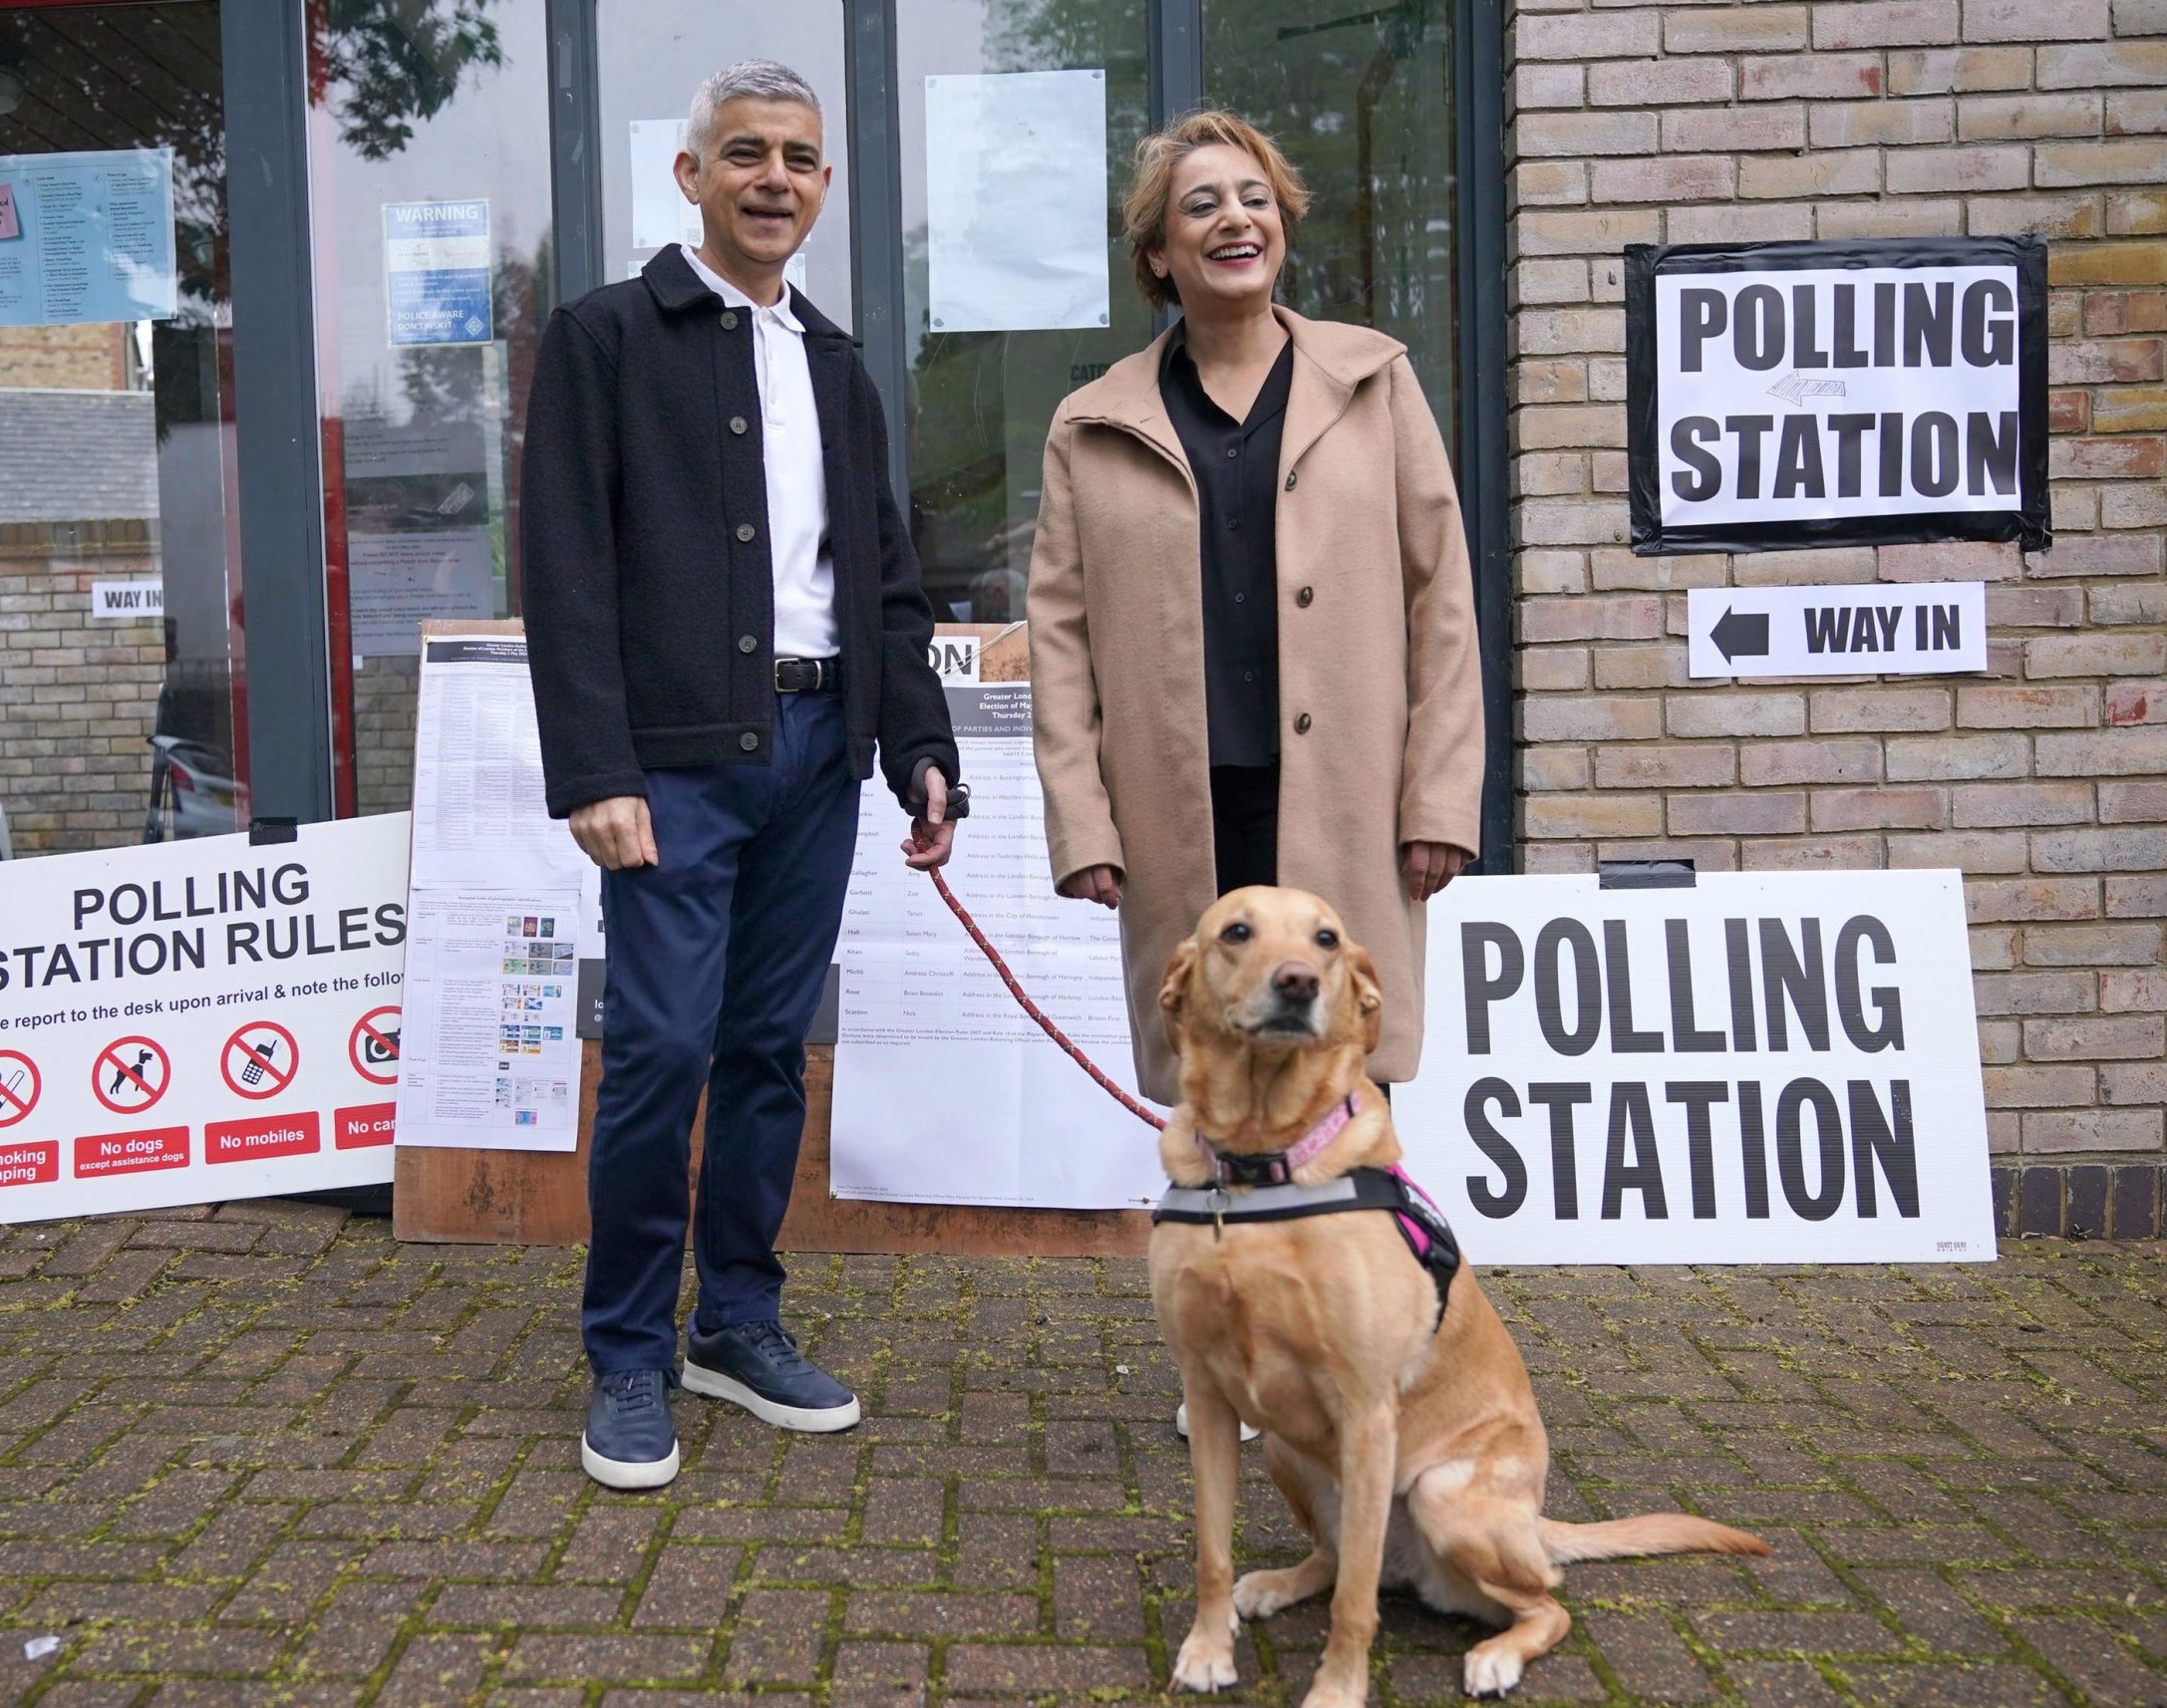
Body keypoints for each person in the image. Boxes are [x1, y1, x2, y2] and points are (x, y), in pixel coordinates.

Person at [521, 59, 960, 1492]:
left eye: (801, 160)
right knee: (658, 1050)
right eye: (747, 153)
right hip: (672, 765)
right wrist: (592, 764)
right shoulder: (604, 337)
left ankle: (741, 1322)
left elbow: (882, 579)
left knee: (771, 1048)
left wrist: (919, 749)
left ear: (824, 188)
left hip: (817, 757)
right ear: (691, 174)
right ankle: (630, 1351)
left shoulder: (837, 362)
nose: (776, 178)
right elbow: (567, 567)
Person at [1028, 109, 1482, 1111]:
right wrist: (1081, 821)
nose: (1236, 219)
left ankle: (1348, 1268)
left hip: (1348, 799)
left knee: (1344, 1073)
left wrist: (1439, 798)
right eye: (1202, 205)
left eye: (1255, 199)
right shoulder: (1091, 423)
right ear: (1157, 250)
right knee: (1211, 1070)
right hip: (1176, 810)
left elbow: (1441, 599)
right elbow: (1058, 641)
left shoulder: (1375, 382)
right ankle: (1229, 1268)